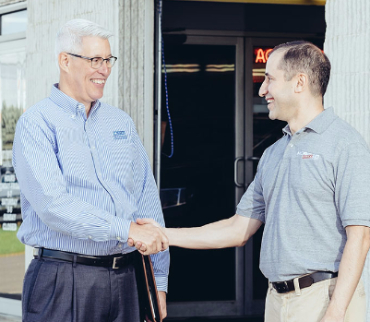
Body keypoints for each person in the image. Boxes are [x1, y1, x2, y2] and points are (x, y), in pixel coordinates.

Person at [131, 41, 370, 322]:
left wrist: (336, 311)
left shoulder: (345, 144)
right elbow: (237, 229)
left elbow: (361, 235)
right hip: (277, 302)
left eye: (269, 78)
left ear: (299, 83)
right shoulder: (274, 153)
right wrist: (163, 235)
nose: (262, 90)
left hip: (323, 300)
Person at [13, 19, 169, 322]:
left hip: (128, 277)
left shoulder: (120, 123)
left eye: (107, 60)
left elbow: (146, 199)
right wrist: (126, 229)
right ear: (65, 61)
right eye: (95, 60)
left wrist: (158, 280)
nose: (104, 69)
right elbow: (53, 206)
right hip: (63, 279)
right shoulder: (36, 124)